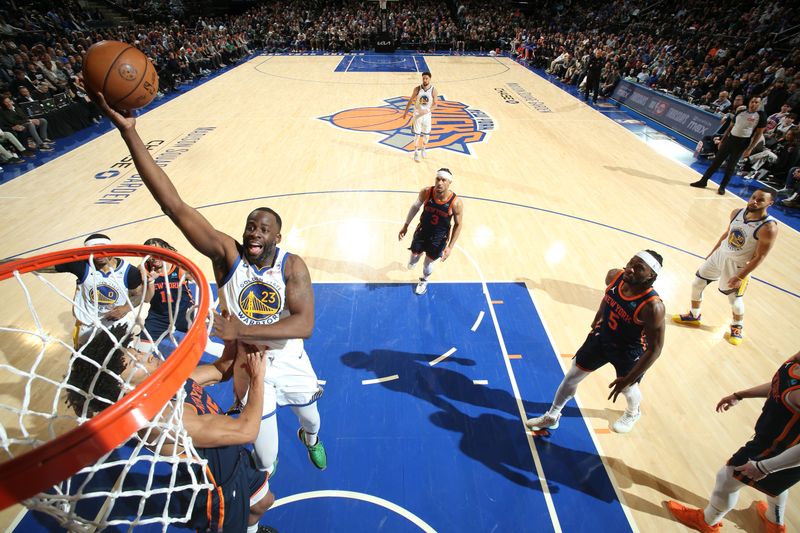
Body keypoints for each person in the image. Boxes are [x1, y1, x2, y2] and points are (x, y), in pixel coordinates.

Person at [90, 90, 327, 477]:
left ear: (276, 239)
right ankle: (259, 489)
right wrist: (130, 132)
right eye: (251, 225)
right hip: (250, 368)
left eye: (264, 229)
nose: (254, 233)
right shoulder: (227, 256)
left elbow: (304, 325)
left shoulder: (292, 267)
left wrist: (241, 328)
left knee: (312, 420)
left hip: (291, 360)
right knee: (265, 459)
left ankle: (311, 439)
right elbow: (175, 206)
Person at [66, 324, 277, 533]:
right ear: (122, 385)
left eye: (137, 351)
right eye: (135, 361)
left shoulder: (163, 382)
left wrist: (232, 339)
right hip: (219, 490)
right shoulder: (163, 418)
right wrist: (258, 378)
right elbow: (246, 431)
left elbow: (220, 370)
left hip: (234, 458)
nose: (146, 356)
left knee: (263, 502)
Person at [526, 251, 665, 434]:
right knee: (572, 375)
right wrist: (599, 315)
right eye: (631, 262)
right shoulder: (615, 276)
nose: (630, 269)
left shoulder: (653, 307)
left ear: (651, 276)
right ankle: (552, 416)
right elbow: (608, 297)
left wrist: (628, 379)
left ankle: (633, 411)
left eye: (639, 268)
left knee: (627, 389)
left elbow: (655, 350)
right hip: (603, 338)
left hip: (629, 351)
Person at [666, 350, 800, 533]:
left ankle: (707, 522)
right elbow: (780, 384)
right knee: (777, 484)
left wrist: (764, 467)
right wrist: (740, 395)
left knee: (727, 478)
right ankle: (774, 523)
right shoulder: (797, 360)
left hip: (776, 449)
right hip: (778, 446)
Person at [673, 189, 777, 345]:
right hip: (720, 255)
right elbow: (727, 234)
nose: (754, 201)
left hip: (738, 265)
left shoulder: (768, 228)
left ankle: (737, 326)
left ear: (770, 203)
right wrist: (713, 252)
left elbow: (760, 257)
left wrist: (741, 276)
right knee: (697, 283)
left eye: (760, 200)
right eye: (753, 197)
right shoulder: (736, 213)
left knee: (734, 299)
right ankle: (694, 316)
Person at [36, 233, 143, 348]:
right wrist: (18, 264)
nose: (99, 255)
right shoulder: (80, 265)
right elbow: (43, 265)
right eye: (94, 251)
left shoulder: (130, 271)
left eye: (102, 249)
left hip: (118, 322)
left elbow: (138, 295)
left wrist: (126, 308)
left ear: (111, 249)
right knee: (84, 363)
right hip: (88, 324)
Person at [398, 168, 464, 295]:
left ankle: (424, 280)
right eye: (438, 179)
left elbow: (458, 224)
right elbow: (415, 207)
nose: (439, 182)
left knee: (428, 264)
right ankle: (416, 256)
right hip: (422, 231)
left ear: (449, 182)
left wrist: (450, 247)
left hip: (438, 239)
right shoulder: (426, 192)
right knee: (413, 257)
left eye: (443, 180)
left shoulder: (456, 203)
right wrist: (405, 225)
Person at [691, 96, 767, 195]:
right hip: (730, 139)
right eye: (753, 101)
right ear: (749, 102)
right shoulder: (741, 112)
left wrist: (750, 148)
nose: (754, 104)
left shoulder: (761, 115)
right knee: (716, 161)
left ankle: (722, 187)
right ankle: (703, 181)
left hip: (743, 142)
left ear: (760, 104)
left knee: (731, 165)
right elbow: (730, 127)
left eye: (756, 102)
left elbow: (759, 134)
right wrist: (722, 140)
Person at [138, 237, 196, 350]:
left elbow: (201, 284)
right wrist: (151, 281)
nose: (154, 257)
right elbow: (147, 299)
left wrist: (206, 307)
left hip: (184, 313)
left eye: (157, 252)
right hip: (158, 317)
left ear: (165, 250)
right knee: (141, 350)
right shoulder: (145, 270)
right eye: (149, 254)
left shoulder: (180, 268)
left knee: (204, 345)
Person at [402, 71, 438, 162]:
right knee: (417, 135)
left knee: (426, 135)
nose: (425, 80)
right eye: (423, 78)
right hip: (417, 115)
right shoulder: (417, 89)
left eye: (427, 78)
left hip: (427, 115)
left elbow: (436, 104)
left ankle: (423, 148)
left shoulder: (434, 90)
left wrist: (427, 110)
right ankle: (416, 152)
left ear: (430, 79)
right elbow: (410, 101)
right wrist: (405, 112)